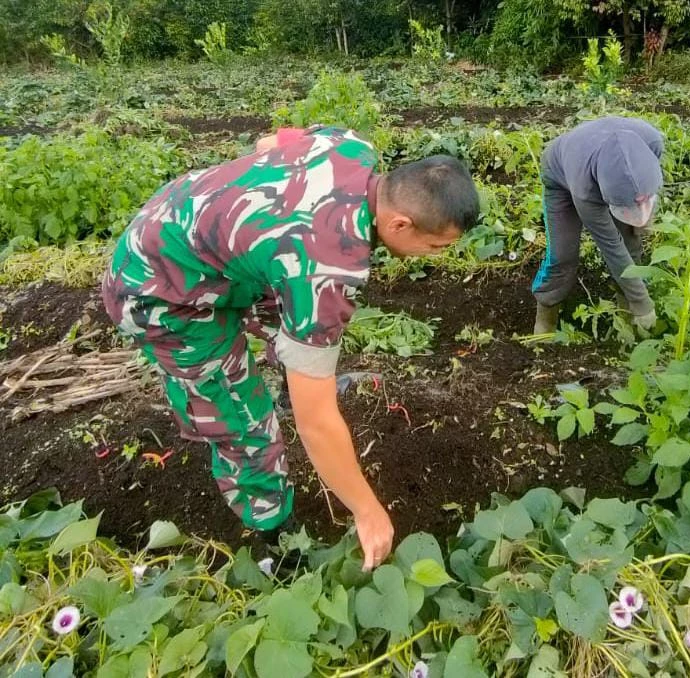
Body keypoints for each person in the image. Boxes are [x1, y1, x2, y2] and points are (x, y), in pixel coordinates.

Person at [102, 125, 480, 570]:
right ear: (400, 223)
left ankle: (286, 384)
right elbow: (316, 422)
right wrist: (368, 510)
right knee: (240, 419)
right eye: (435, 246)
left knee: (290, 319)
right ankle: (273, 541)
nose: (434, 256)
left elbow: (267, 143)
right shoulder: (325, 272)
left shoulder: (350, 145)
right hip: (158, 289)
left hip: (182, 217)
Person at [531, 116, 664, 335]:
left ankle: (626, 320)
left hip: (601, 169)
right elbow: (609, 244)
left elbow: (645, 183)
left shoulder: (652, 141)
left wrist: (642, 222)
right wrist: (643, 303)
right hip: (561, 175)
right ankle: (545, 322)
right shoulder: (583, 188)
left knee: (631, 243)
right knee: (563, 255)